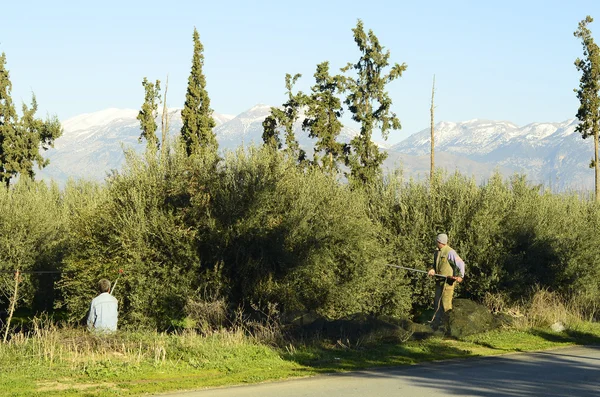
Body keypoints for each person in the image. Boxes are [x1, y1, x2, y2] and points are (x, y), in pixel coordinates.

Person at [427, 233, 465, 328]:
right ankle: (437, 325)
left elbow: (461, 263)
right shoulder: (437, 252)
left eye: (437, 241)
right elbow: (435, 265)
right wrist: (432, 270)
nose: (436, 243)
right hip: (439, 282)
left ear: (440, 242)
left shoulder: (450, 252)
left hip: (447, 284)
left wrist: (460, 276)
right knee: (437, 304)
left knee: (446, 306)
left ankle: (448, 327)